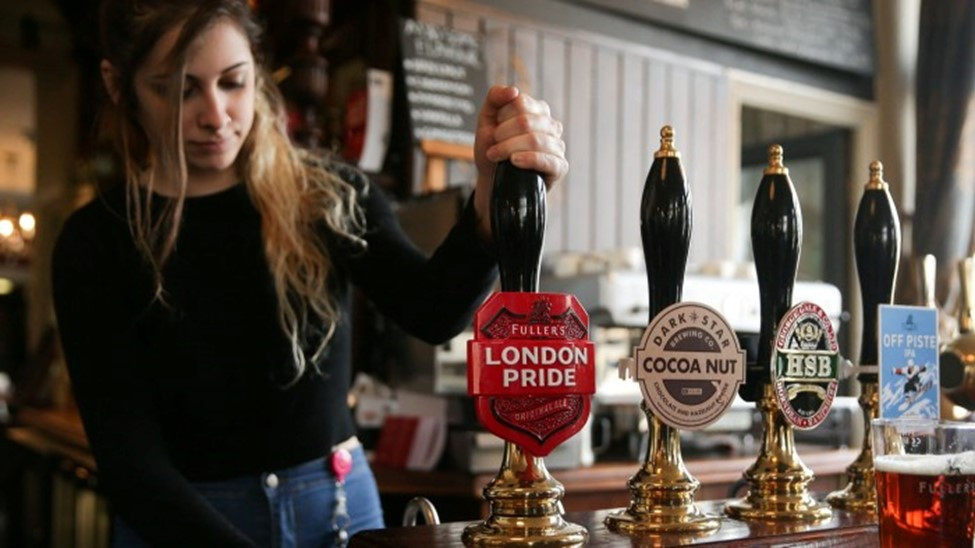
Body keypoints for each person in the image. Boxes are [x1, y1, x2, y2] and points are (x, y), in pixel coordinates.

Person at [50, 1, 568, 546]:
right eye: (178, 89)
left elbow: (434, 311)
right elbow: (131, 465)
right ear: (117, 85)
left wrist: (490, 202)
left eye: (233, 82)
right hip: (181, 523)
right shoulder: (97, 242)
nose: (216, 114)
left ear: (257, 68)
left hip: (337, 508)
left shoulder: (327, 193)